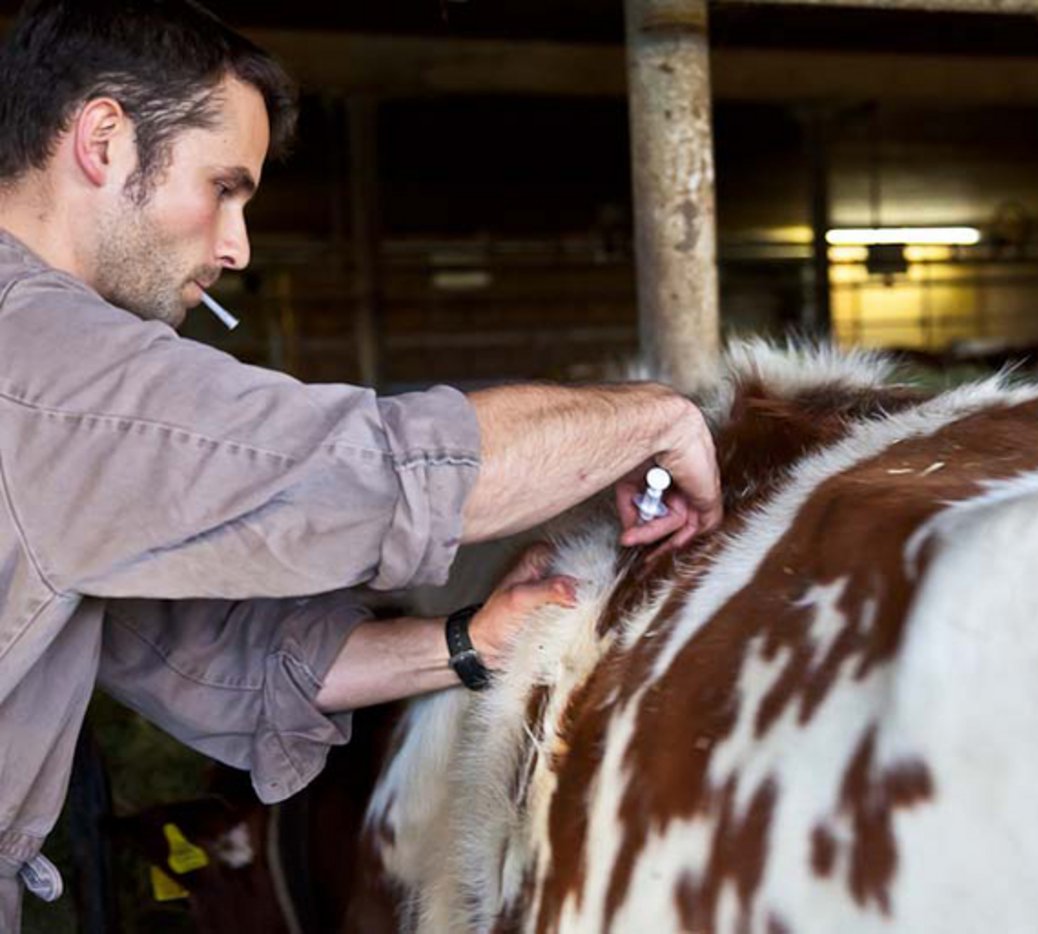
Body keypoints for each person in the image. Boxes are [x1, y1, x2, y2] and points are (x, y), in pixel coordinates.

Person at [0, 0, 723, 927]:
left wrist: (467, 642)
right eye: (224, 188)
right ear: (103, 139)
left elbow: (208, 653)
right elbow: (362, 475)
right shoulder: (47, 361)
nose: (235, 247)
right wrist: (650, 419)